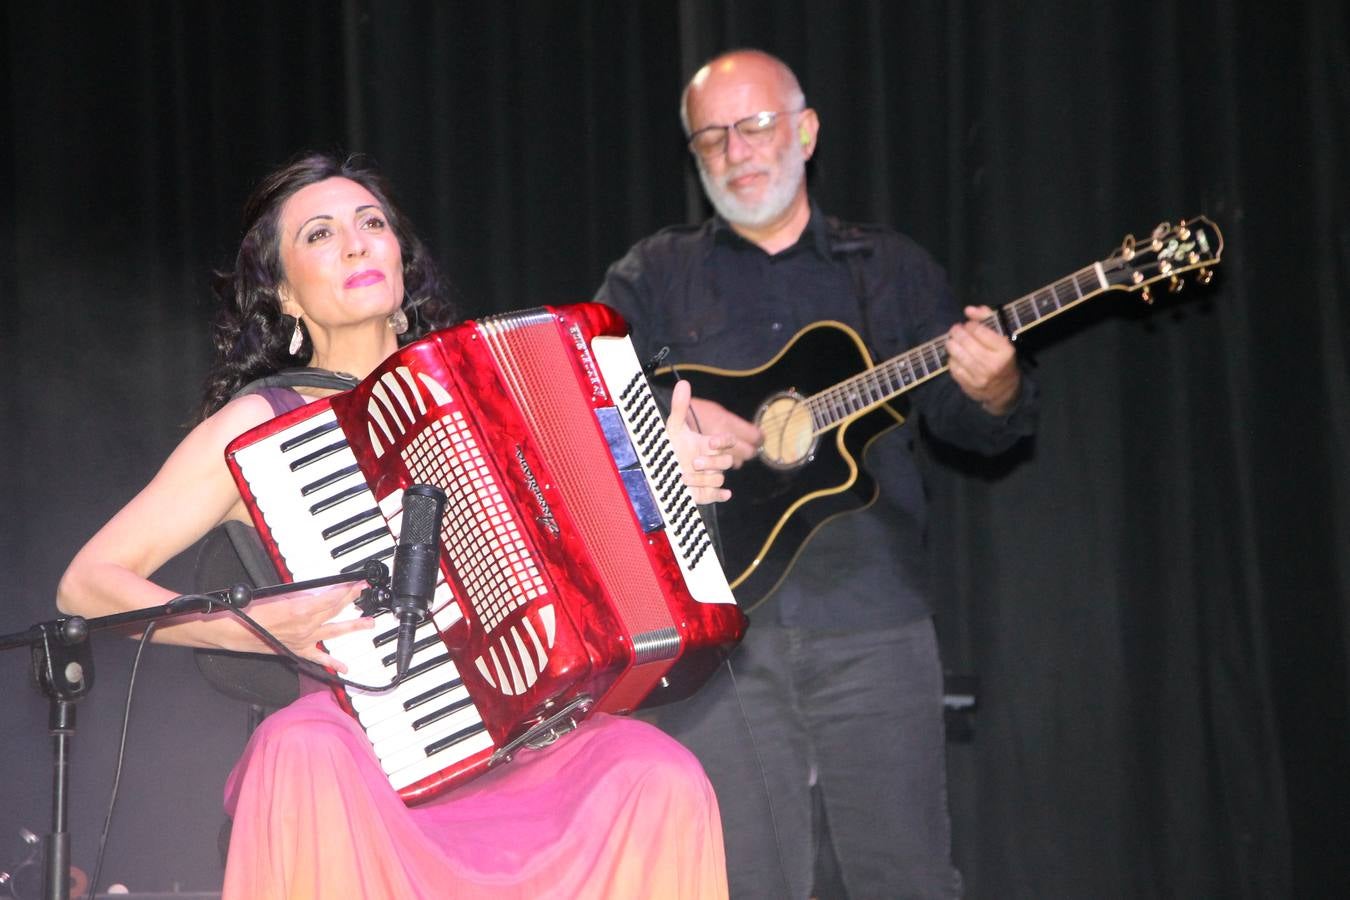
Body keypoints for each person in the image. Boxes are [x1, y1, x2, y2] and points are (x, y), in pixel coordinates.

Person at [57, 152, 740, 900]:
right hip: (362, 737)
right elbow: (86, 586)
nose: (355, 244)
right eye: (320, 234)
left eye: (371, 223)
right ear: (285, 295)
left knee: (661, 774)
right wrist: (249, 623)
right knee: (299, 749)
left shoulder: (488, 388)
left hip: (527, 734)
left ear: (402, 266)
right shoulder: (257, 426)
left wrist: (661, 484)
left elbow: (604, 549)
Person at [596, 50, 1038, 899]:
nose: (739, 150)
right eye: (713, 137)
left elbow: (967, 425)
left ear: (806, 131)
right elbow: (589, 401)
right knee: (745, 882)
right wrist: (667, 427)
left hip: (872, 618)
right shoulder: (654, 273)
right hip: (722, 628)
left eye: (756, 125)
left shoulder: (892, 269)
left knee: (904, 876)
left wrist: (997, 386)